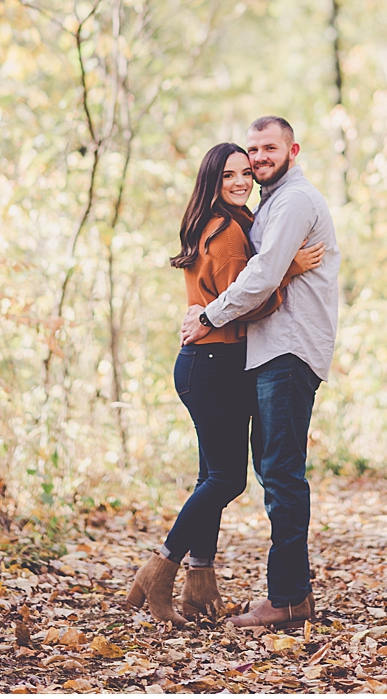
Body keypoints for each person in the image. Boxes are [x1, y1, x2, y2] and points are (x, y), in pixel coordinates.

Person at [125, 142, 323, 623]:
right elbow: (246, 299)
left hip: (205, 362)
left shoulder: (211, 222)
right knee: (226, 478)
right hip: (215, 361)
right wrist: (286, 271)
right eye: (228, 175)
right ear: (212, 181)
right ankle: (161, 567)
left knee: (210, 475)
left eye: (245, 174)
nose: (240, 182)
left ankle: (199, 579)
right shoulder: (232, 231)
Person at [181, 115, 341, 629]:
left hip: (288, 353)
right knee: (272, 473)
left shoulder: (292, 201)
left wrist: (207, 316)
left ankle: (290, 598)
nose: (258, 158)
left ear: (293, 150)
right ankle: (288, 595)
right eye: (253, 149)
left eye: (269, 148)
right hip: (271, 352)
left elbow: (262, 276)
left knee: (280, 475)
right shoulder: (266, 206)